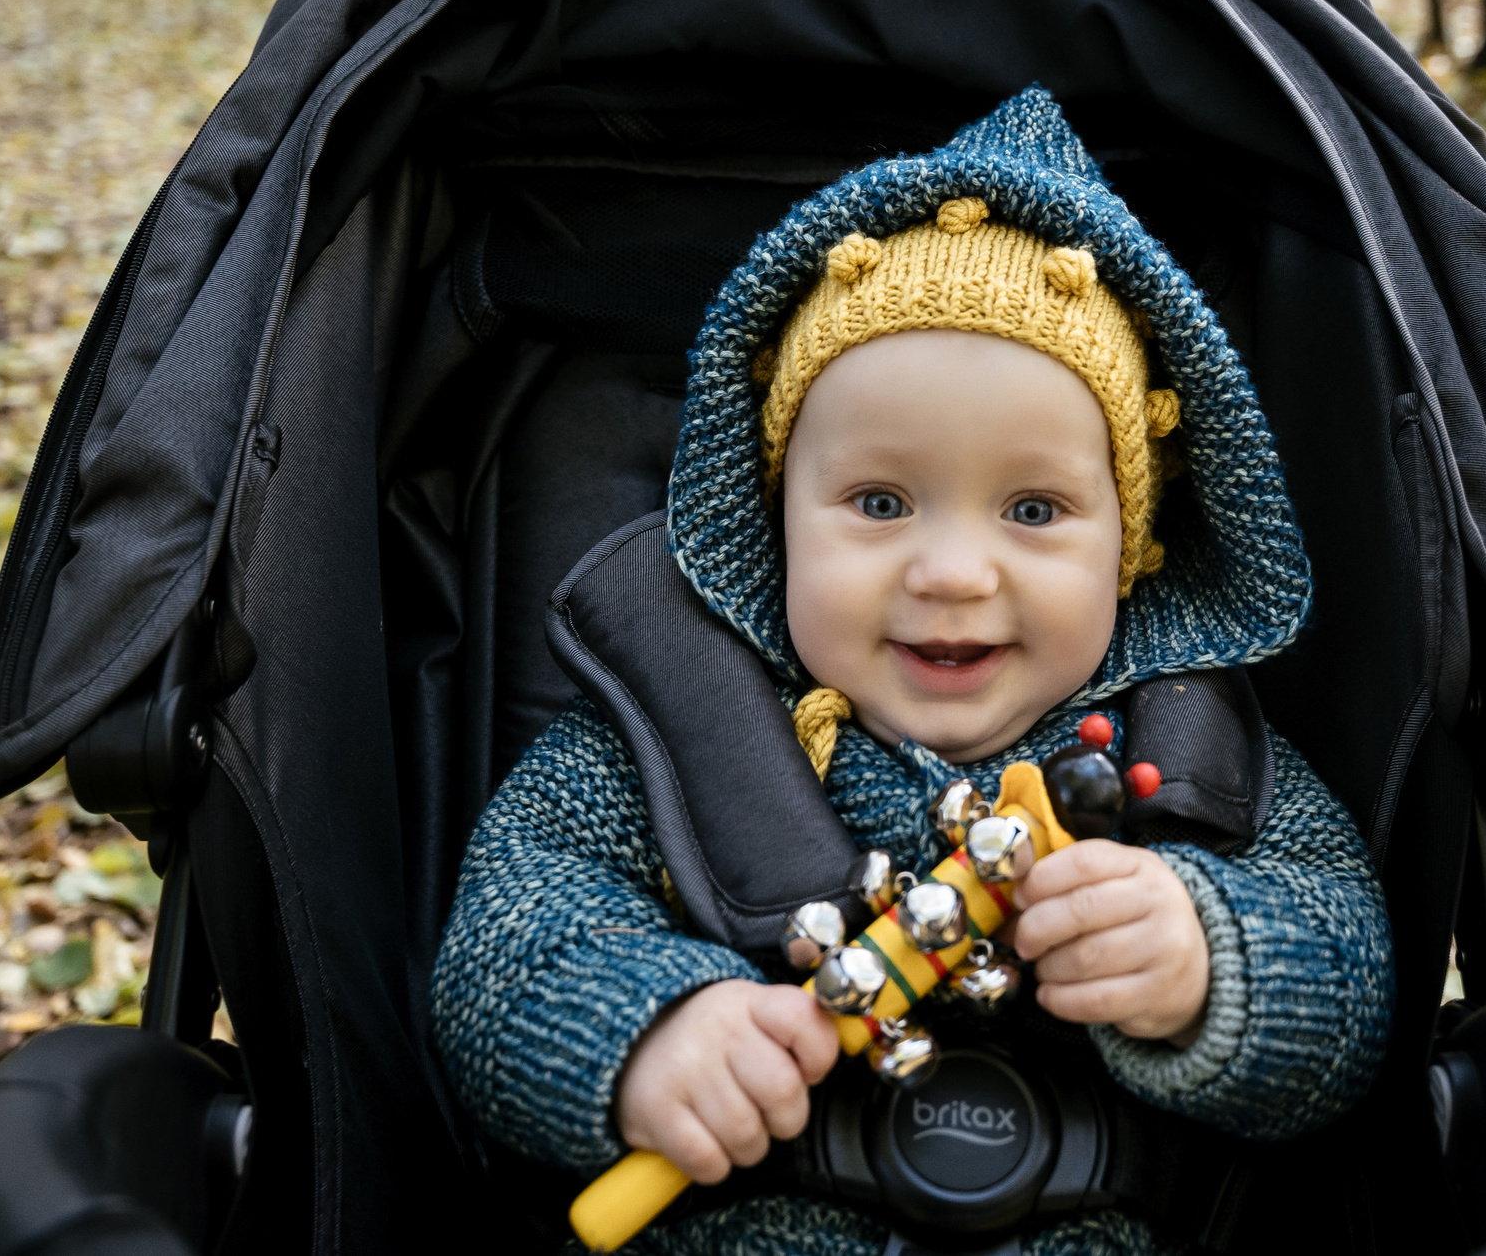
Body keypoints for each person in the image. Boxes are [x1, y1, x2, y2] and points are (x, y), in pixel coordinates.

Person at [434, 89, 1393, 1254]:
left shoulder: (1196, 766)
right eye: (878, 503)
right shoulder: (666, 743)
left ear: (1131, 549)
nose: (949, 571)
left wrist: (1208, 963)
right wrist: (645, 1034)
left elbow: (1352, 988)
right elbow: (508, 939)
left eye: (1033, 510)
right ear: (775, 520)